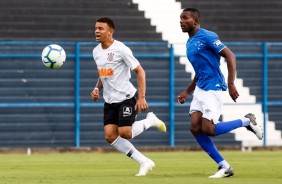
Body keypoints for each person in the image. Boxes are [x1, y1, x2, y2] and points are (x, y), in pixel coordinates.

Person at [177, 8, 263, 178]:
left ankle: (246, 121)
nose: (181, 21)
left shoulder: (207, 36)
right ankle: (224, 166)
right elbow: (200, 70)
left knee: (209, 129)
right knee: (195, 128)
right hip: (201, 87)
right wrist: (188, 91)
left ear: (194, 21)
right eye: (180, 18)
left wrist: (231, 83)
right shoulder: (190, 42)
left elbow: (230, 55)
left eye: (184, 18)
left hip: (213, 87)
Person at [90, 17, 166, 176]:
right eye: (96, 28)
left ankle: (150, 120)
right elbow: (104, 75)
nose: (97, 31)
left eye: (101, 29)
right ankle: (144, 162)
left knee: (125, 133)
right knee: (110, 136)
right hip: (109, 101)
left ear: (110, 32)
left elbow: (140, 71)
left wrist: (142, 97)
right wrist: (97, 88)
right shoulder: (96, 51)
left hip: (127, 97)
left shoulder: (121, 49)